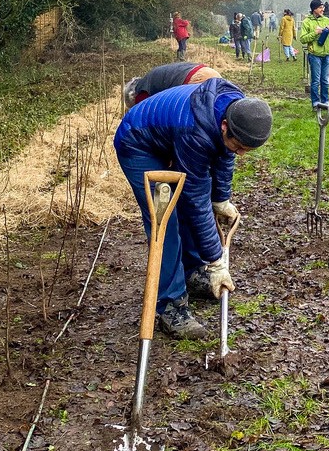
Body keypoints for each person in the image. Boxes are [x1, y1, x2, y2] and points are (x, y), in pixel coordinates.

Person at [114, 78, 273, 338]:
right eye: (239, 146)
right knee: (165, 221)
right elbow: (197, 199)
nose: (241, 153)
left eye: (247, 149)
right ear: (224, 126)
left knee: (187, 207)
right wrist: (216, 261)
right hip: (137, 142)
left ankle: (191, 272)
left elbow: (225, 154)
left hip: (170, 136)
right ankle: (170, 306)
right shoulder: (196, 132)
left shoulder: (236, 109)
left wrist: (221, 199)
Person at [123, 62, 221, 108]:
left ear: (132, 97)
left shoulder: (141, 95)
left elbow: (146, 117)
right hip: (210, 73)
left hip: (194, 81)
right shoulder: (150, 79)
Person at [299, 0, 329, 106]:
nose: (323, 9)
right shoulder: (307, 22)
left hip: (327, 54)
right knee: (316, 80)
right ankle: (315, 102)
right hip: (315, 55)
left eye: (323, 7)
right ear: (314, 9)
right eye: (320, 7)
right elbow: (303, 39)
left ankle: (325, 101)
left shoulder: (325, 19)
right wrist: (315, 33)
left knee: (325, 80)